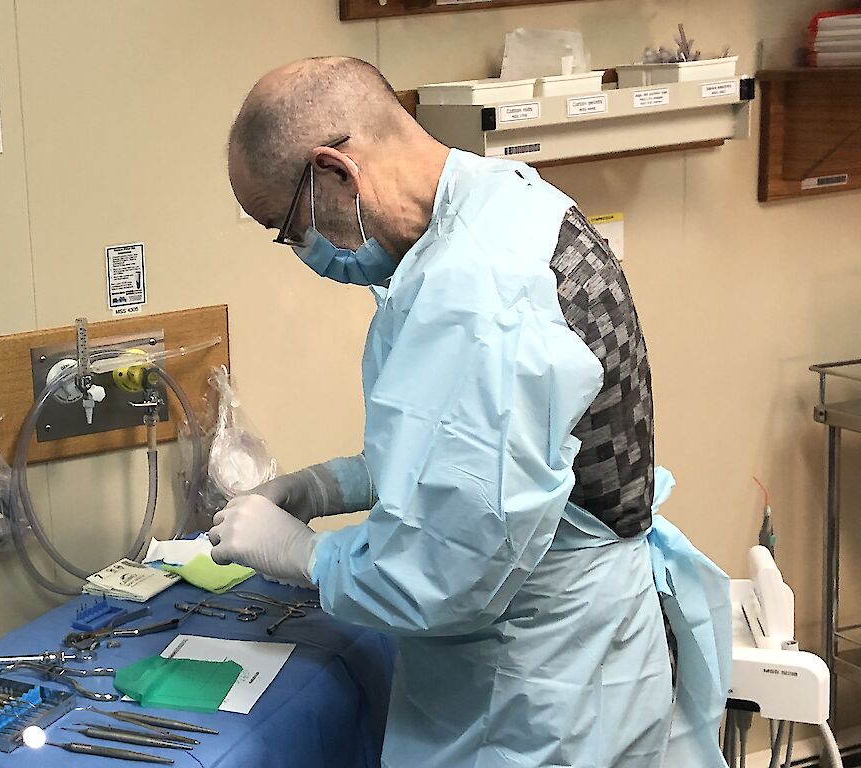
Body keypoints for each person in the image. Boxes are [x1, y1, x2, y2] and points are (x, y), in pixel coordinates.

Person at [209, 56, 732, 768]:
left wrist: (303, 553)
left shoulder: (481, 290)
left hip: (537, 693)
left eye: (288, 226)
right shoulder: (500, 207)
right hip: (576, 654)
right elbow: (482, 447)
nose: (302, 250)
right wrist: (330, 485)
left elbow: (445, 571)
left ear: (336, 172)